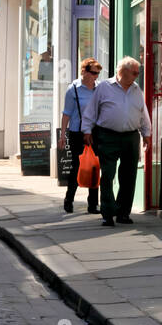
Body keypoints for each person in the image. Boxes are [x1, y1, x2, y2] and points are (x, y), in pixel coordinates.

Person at [81, 56, 152, 227]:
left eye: (137, 72)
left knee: (128, 176)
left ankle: (123, 213)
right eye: (134, 72)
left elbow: (143, 113)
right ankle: (107, 213)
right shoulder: (104, 88)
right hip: (108, 135)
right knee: (108, 175)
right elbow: (91, 110)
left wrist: (147, 133)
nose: (137, 76)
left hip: (130, 136)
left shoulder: (136, 90)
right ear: (122, 72)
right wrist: (87, 130)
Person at [60, 58, 103, 214]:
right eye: (93, 73)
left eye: (98, 73)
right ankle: (69, 199)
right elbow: (66, 114)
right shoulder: (73, 89)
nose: (96, 76)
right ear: (84, 71)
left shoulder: (99, 88)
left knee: (94, 167)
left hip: (95, 133)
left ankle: (93, 204)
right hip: (77, 133)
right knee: (77, 167)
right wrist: (63, 135)